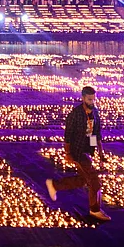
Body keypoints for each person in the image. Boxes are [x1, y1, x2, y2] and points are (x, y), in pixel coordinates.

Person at [46, 86, 110, 221]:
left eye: (93, 99)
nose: (92, 102)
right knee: (94, 181)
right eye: (89, 99)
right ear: (83, 98)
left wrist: (100, 153)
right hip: (77, 151)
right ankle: (95, 210)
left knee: (83, 180)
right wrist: (68, 153)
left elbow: (96, 135)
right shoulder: (75, 114)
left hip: (87, 151)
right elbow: (68, 136)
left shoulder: (95, 113)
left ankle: (55, 185)